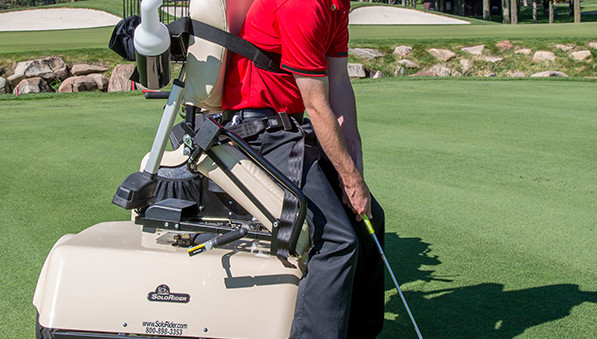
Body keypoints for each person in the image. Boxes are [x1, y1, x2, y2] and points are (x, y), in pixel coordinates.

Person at [222, 0, 385, 337]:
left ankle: (358, 331)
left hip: (287, 129)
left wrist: (355, 167)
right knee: (337, 239)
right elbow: (316, 103)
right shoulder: (303, 5)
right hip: (256, 132)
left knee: (369, 217)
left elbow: (339, 83)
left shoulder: (337, 6)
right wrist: (349, 178)